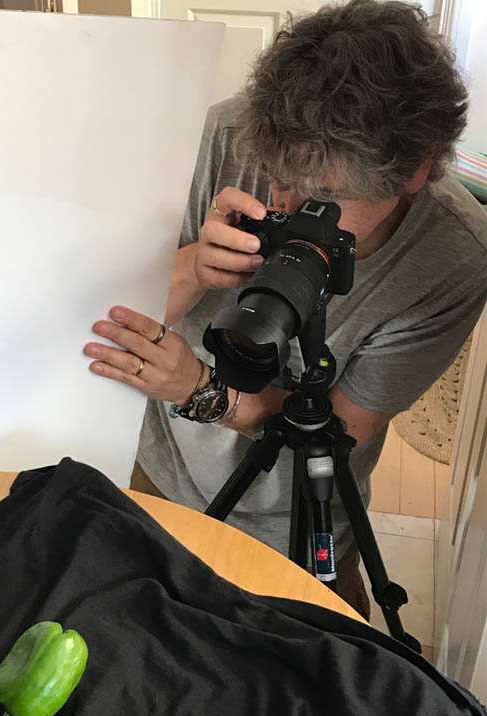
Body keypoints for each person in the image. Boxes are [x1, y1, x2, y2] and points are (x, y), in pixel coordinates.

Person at [84, 0, 487, 620]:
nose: (286, 205)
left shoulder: (453, 259)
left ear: (416, 170)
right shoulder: (228, 136)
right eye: (277, 175)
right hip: (161, 475)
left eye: (325, 196)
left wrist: (197, 387)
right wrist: (193, 266)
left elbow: (340, 428)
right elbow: (107, 319)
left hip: (300, 516)